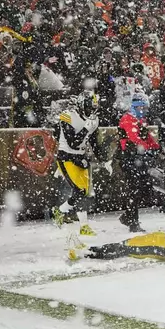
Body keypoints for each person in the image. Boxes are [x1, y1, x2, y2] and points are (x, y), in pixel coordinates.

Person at [52, 90, 109, 236]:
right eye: (90, 107)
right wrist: (85, 129)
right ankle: (77, 221)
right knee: (79, 191)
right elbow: (73, 143)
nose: (92, 111)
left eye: (94, 108)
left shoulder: (93, 120)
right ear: (82, 105)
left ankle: (63, 212)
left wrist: (104, 159)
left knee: (83, 192)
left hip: (80, 157)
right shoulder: (67, 116)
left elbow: (94, 143)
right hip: (66, 157)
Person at [118, 92, 160, 232]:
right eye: (142, 108)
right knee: (134, 190)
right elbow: (135, 140)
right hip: (129, 158)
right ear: (135, 107)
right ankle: (132, 223)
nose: (144, 111)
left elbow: (146, 138)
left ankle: (128, 216)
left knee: (144, 188)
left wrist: (156, 148)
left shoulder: (139, 120)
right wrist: (149, 150)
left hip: (138, 159)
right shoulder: (127, 119)